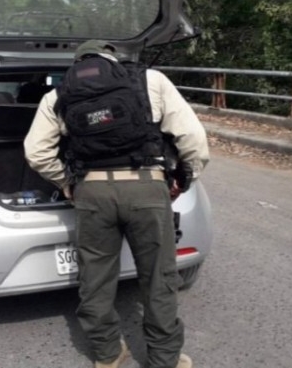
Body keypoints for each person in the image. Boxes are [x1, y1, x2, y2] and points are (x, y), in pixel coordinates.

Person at [24, 40, 210, 368]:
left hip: (92, 193)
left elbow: (36, 152)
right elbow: (193, 140)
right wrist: (184, 178)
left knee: (95, 278)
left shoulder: (58, 95)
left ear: (77, 63)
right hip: (147, 188)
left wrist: (67, 182)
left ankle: (108, 354)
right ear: (113, 59)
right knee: (159, 278)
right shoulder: (151, 80)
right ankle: (164, 359)